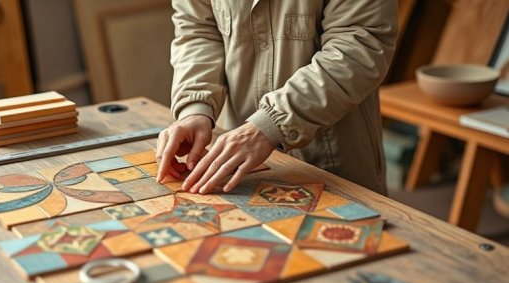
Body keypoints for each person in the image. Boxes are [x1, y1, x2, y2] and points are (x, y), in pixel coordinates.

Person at [156, 1, 397, 195]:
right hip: (235, 158)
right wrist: (196, 107)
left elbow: (358, 49)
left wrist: (270, 124)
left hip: (332, 159)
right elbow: (198, 32)